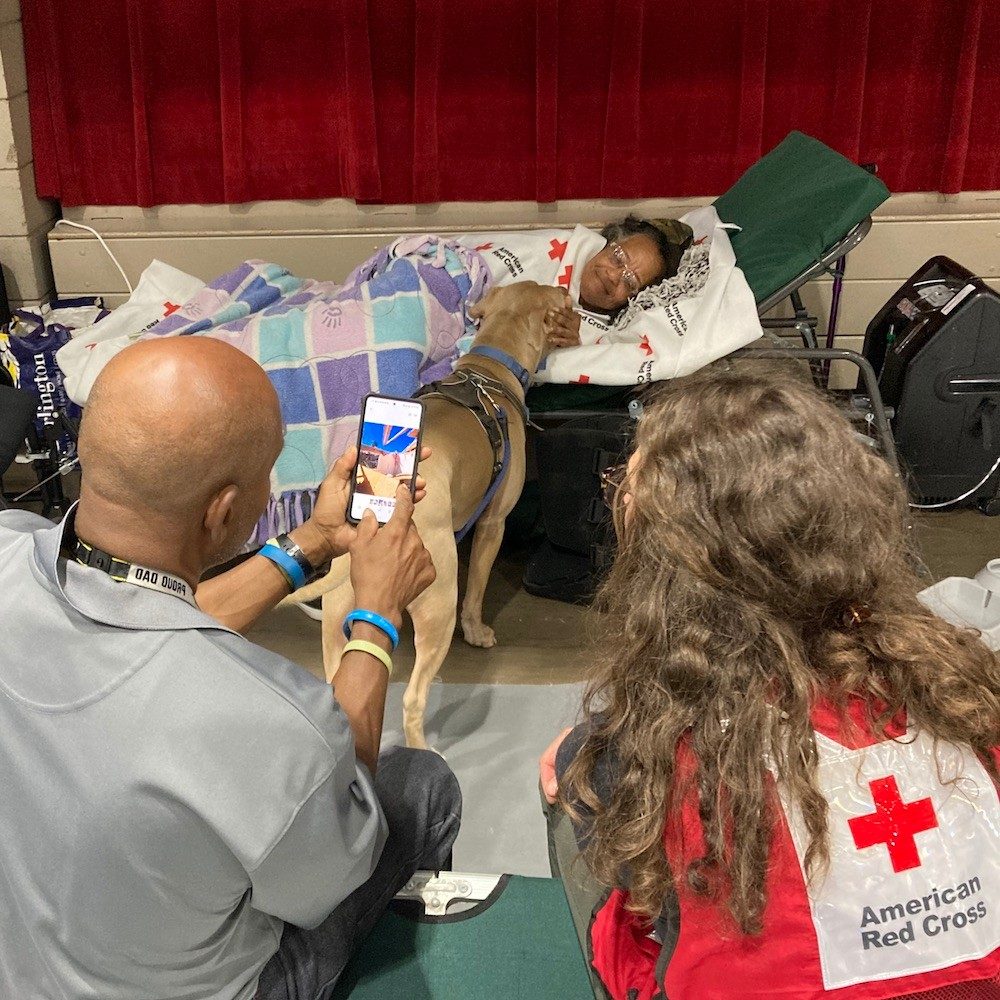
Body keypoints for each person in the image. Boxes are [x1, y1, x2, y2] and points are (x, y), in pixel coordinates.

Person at [0, 337, 461, 999]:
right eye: (272, 468)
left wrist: (312, 542)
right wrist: (378, 615)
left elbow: (142, 610)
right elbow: (343, 859)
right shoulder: (267, 721)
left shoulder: (9, 548)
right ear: (221, 511)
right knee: (418, 785)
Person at [540, 364, 1000, 1000]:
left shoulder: (656, 751)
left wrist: (584, 762)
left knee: (577, 780)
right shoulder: (965, 690)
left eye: (624, 486)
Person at [457, 214, 694, 349]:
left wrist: (568, 346)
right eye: (618, 257)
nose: (613, 276)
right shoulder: (558, 246)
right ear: (609, 242)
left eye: (630, 282)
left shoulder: (600, 337)